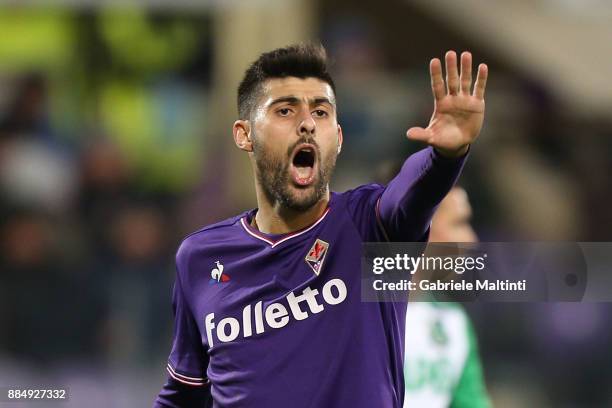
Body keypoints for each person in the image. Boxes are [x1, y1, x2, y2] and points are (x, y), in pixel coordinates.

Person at [153, 43, 488, 407]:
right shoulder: (200, 258)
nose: (308, 123)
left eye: (321, 112)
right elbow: (183, 395)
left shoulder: (371, 227)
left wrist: (445, 156)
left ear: (339, 138)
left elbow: (412, 192)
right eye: (285, 110)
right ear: (244, 134)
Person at [403, 187, 491, 408]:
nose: (471, 240)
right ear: (419, 224)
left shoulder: (454, 323)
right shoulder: (345, 313)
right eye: (458, 223)